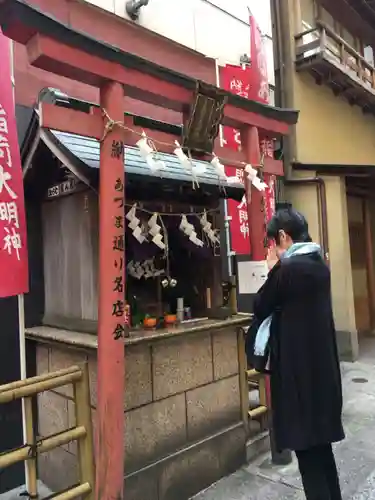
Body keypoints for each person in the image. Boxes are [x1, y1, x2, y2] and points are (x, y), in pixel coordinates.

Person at [253, 208, 344, 500]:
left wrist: (271, 270)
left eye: (271, 243)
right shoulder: (319, 264)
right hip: (322, 374)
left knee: (308, 459)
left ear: (283, 236)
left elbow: (260, 306)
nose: (271, 249)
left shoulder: (288, 270)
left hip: (298, 379)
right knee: (322, 453)